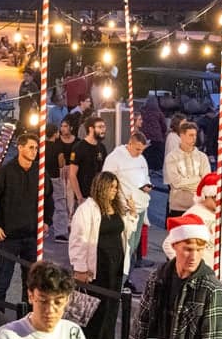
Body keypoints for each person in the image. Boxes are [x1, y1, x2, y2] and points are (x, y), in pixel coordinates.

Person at [129, 215, 222, 339]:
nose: (194, 256)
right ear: (174, 246)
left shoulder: (211, 289)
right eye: (188, 250)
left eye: (199, 250)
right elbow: (141, 325)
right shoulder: (158, 277)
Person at [69, 172, 133, 339]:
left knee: (110, 311)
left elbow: (125, 232)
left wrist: (133, 217)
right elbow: (78, 240)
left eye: (116, 187)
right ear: (101, 187)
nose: (114, 191)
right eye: (111, 187)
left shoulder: (117, 207)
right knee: (93, 311)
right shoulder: (87, 209)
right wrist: (79, 267)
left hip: (116, 266)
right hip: (97, 267)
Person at [0, 134, 49, 304]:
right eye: (31, 147)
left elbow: (48, 198)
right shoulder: (5, 172)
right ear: (20, 147)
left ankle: (26, 317)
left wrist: (47, 220)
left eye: (36, 148)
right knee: (2, 281)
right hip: (9, 237)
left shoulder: (40, 172)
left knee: (32, 283)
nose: (35, 151)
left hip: (32, 237)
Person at [163, 173, 222, 302]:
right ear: (205, 196)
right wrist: (188, 267)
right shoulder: (194, 215)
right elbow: (169, 244)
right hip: (201, 280)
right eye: (219, 197)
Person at [103, 132, 153, 274]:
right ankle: (120, 277)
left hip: (140, 207)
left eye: (142, 150)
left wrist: (147, 185)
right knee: (125, 245)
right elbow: (106, 181)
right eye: (137, 149)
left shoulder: (142, 159)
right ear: (130, 144)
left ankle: (127, 276)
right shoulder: (114, 158)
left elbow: (146, 176)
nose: (140, 153)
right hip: (123, 208)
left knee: (133, 245)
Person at [163, 121, 211, 219]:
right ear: (182, 136)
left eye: (195, 135)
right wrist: (197, 180)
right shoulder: (172, 157)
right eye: (190, 135)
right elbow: (176, 182)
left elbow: (206, 181)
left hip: (198, 206)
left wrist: (186, 183)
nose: (194, 138)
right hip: (178, 207)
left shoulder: (202, 157)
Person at [48, 119, 79, 241]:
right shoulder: (57, 147)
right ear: (55, 133)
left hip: (43, 177)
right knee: (60, 203)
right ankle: (60, 232)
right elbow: (61, 162)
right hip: (55, 177)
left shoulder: (40, 145)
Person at [68, 116, 108, 203]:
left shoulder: (102, 147)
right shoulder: (79, 147)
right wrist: (79, 197)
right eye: (100, 127)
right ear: (91, 129)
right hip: (84, 196)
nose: (103, 130)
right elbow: (72, 174)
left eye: (104, 127)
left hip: (98, 196)